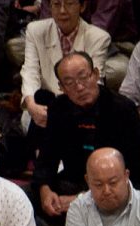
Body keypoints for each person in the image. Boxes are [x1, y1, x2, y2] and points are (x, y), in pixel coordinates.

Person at [31, 52, 140, 226]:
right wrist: (45, 190)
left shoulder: (123, 109)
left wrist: (83, 199)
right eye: (70, 82)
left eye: (83, 77)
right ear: (61, 87)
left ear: (96, 74)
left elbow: (133, 170)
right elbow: (47, 158)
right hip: (72, 182)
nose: (80, 87)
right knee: (22, 198)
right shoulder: (58, 108)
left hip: (111, 186)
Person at [17, 0, 110, 132]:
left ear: (82, 6)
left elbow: (95, 83)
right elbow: (30, 71)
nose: (62, 10)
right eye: (56, 4)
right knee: (28, 119)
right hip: (46, 106)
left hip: (80, 107)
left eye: (69, 3)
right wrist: (31, 104)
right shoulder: (35, 30)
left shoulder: (98, 37)